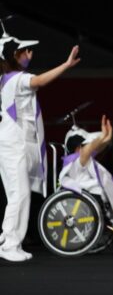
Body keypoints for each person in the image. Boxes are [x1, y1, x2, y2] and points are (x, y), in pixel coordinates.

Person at [0, 35, 81, 262]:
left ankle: (8, 239)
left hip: (10, 142)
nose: (30, 54)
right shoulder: (16, 79)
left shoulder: (6, 79)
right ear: (14, 55)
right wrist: (66, 65)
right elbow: (39, 82)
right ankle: (9, 244)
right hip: (13, 143)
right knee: (20, 194)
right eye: (25, 50)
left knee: (16, 194)